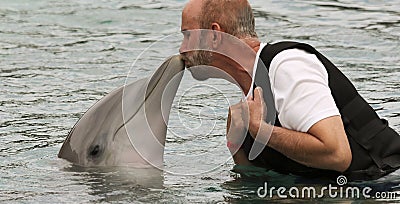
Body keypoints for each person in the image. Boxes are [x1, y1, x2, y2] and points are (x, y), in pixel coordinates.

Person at [179, 0, 400, 181]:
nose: (181, 49)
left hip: (386, 183)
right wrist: (237, 143)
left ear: (215, 36)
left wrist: (261, 130)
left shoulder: (288, 67)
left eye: (187, 35)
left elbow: (337, 154)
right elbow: (253, 186)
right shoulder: (242, 114)